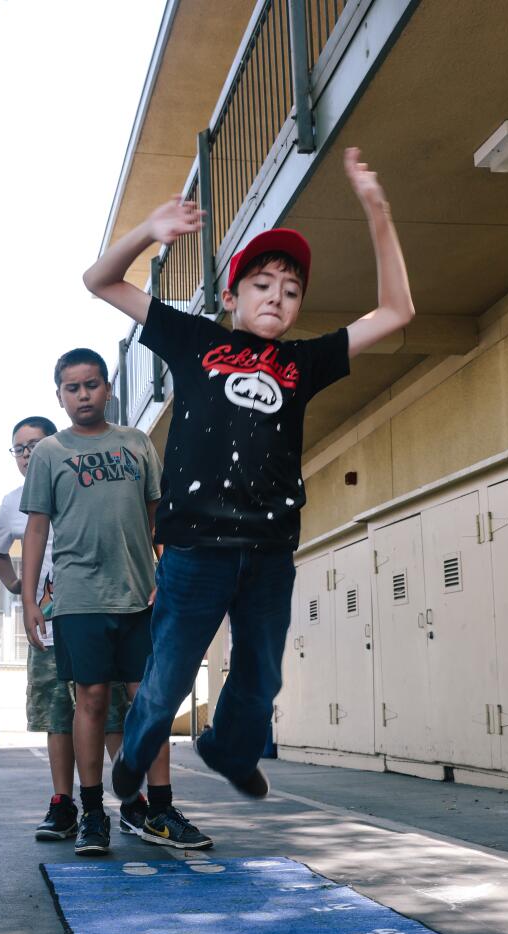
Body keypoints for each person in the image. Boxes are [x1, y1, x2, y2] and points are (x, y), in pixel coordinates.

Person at [84, 148, 415, 803]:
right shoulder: (195, 340)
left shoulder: (303, 362)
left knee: (261, 674)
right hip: (196, 546)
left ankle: (229, 748)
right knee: (173, 668)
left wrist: (378, 211)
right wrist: (148, 232)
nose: (278, 299)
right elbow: (100, 280)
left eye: (291, 291)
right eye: (263, 285)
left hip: (268, 548)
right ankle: (140, 745)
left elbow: (396, 311)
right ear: (231, 295)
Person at [21, 350, 209, 856]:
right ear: (59, 395)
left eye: (91, 385)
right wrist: (29, 598)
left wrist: (169, 575)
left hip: (140, 595)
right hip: (79, 599)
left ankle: (161, 810)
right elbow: (37, 527)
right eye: (72, 388)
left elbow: (158, 519)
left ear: (107, 388)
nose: (83, 396)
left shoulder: (136, 443)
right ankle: (91, 814)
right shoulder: (48, 454)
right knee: (91, 703)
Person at [0, 416, 140, 842]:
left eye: (36, 444)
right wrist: (21, 589)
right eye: (20, 448)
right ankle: (64, 804)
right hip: (50, 624)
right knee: (59, 714)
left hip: (98, 612)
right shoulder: (11, 502)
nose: (28, 454)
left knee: (110, 712)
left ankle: (132, 801)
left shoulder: (84, 480)